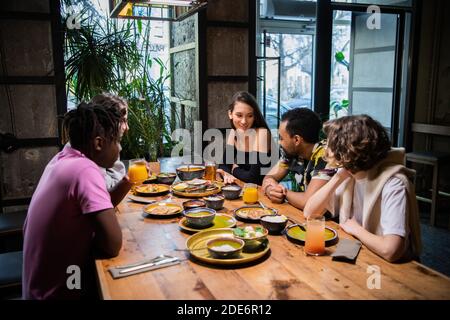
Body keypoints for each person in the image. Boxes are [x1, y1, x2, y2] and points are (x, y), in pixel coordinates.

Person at [23, 103, 124, 299]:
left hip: (38, 289)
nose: (119, 148)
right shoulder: (85, 170)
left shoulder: (61, 159)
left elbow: (102, 206)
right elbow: (113, 245)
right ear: (98, 143)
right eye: (117, 141)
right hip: (58, 293)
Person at [303, 115, 422, 262]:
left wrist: (356, 229)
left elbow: (391, 250)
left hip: (393, 268)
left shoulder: (393, 183)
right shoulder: (351, 175)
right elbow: (310, 212)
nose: (326, 146)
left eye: (331, 142)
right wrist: (337, 178)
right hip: (359, 251)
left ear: (346, 149)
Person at [261, 108, 330, 209]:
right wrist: (270, 190)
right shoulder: (291, 153)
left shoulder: (325, 155)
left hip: (329, 221)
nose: (279, 142)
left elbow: (307, 202)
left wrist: (282, 192)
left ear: (296, 140)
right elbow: (268, 178)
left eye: (281, 138)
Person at [217, 91, 272, 185]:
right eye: (239, 115)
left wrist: (234, 169)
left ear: (254, 116)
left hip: (264, 191)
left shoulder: (262, 133)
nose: (244, 121)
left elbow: (254, 178)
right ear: (230, 114)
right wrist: (227, 174)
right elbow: (224, 166)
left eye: (250, 116)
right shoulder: (234, 133)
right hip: (245, 188)